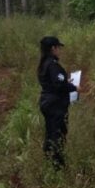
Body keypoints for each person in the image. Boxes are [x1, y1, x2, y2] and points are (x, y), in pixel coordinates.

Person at [37, 35, 78, 168]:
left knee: (50, 132)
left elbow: (55, 82)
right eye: (58, 47)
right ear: (52, 48)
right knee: (58, 134)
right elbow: (59, 85)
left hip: (47, 102)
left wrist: (65, 82)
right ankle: (57, 166)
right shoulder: (52, 65)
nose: (60, 50)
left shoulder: (44, 64)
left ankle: (49, 160)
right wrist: (74, 87)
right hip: (55, 105)